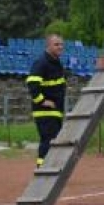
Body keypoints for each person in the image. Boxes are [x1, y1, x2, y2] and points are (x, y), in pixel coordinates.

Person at [26, 34, 67, 168]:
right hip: (44, 111)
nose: (60, 47)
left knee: (54, 140)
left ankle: (51, 167)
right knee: (48, 139)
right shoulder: (42, 62)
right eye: (56, 44)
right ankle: (42, 168)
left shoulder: (57, 63)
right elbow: (32, 84)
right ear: (48, 46)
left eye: (61, 44)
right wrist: (43, 101)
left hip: (55, 110)